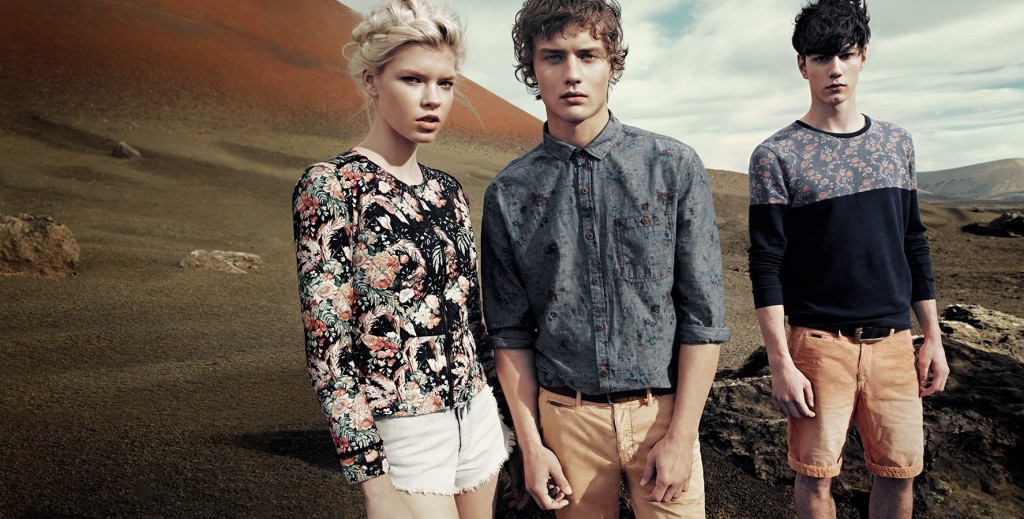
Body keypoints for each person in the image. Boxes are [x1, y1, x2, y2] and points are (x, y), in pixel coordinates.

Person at [480, 1, 729, 517]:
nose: (572, 73)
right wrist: (532, 446)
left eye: (588, 55)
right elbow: (509, 333)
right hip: (565, 421)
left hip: (662, 414)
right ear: (531, 68)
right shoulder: (509, 192)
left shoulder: (673, 167)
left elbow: (704, 319)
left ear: (613, 63)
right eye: (553, 57)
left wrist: (682, 436)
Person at [291, 1, 510, 518]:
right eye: (413, 79)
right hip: (405, 431)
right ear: (372, 81)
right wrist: (373, 481)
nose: (432, 99)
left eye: (445, 83)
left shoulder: (448, 191)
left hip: (477, 417)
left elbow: (470, 319)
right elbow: (328, 346)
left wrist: (501, 417)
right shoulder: (331, 185)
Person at [746, 1, 950, 518]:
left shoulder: (896, 144)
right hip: (818, 347)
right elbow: (766, 264)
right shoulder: (776, 155)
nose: (834, 69)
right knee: (815, 481)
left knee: (899, 478)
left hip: (895, 344)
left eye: (845, 54)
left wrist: (932, 337)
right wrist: (780, 363)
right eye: (820, 57)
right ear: (802, 65)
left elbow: (914, 241)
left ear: (863, 57)